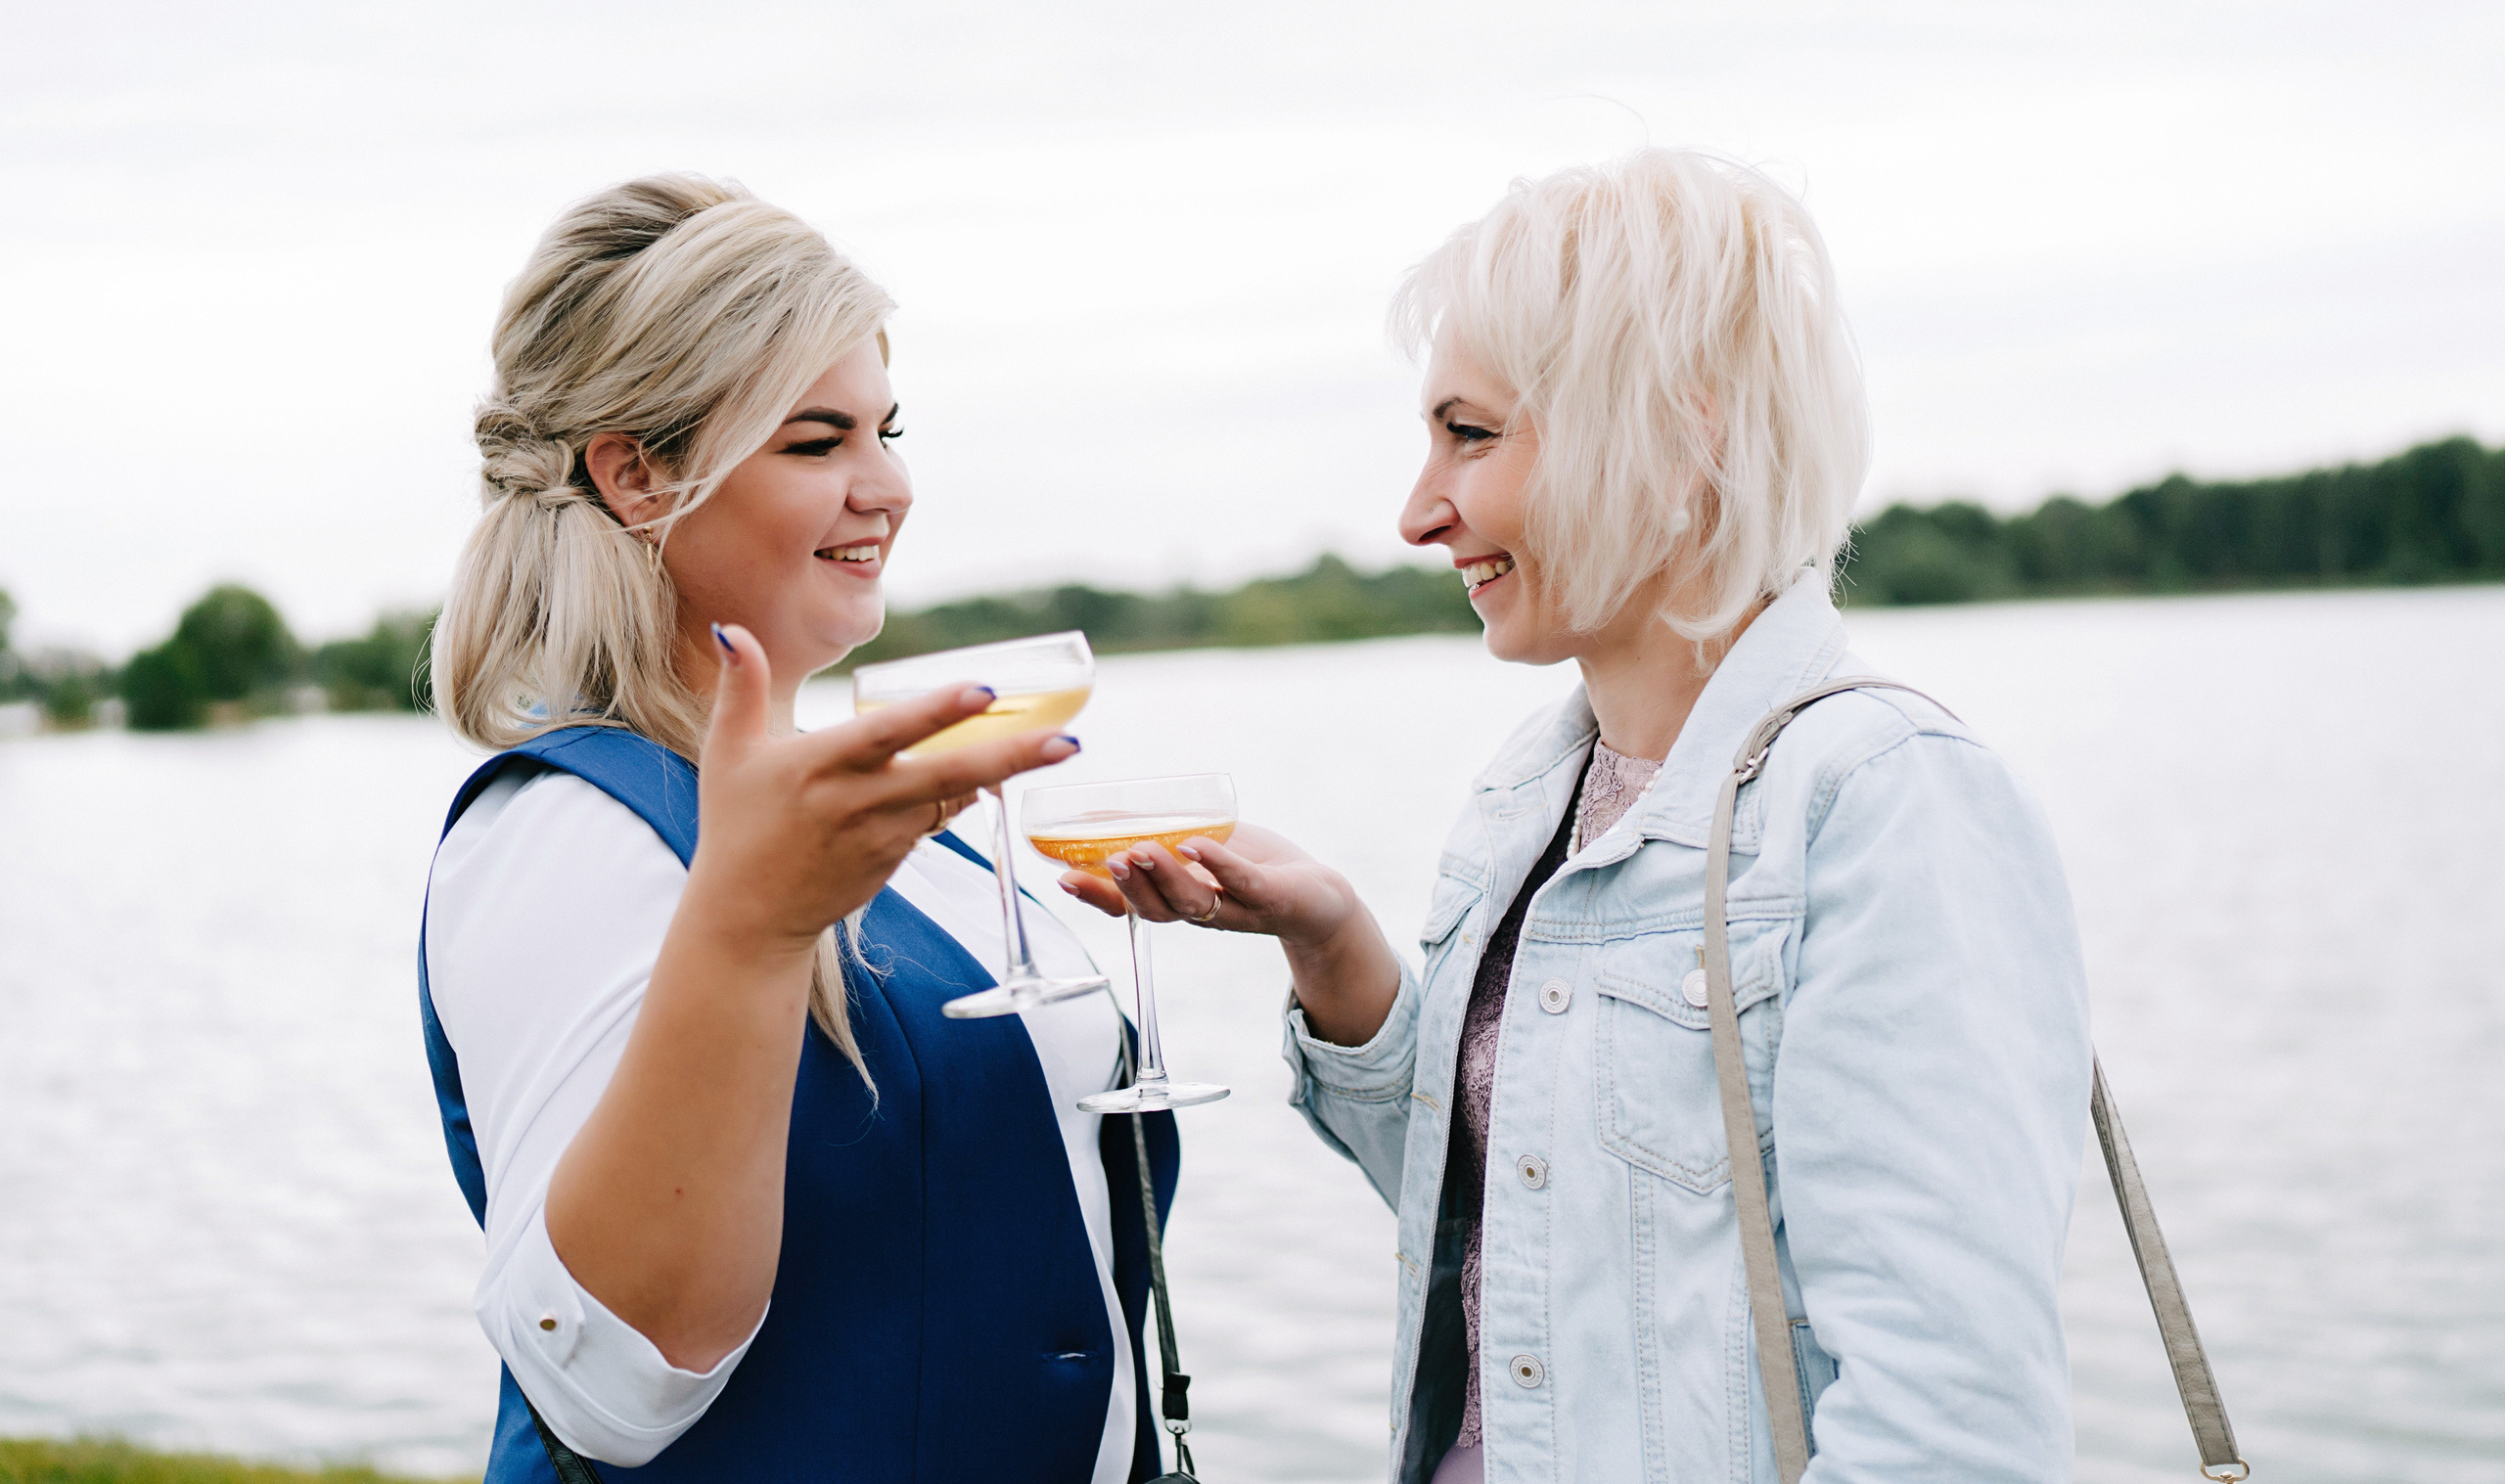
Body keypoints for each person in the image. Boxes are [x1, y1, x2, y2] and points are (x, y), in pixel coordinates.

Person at [1061, 151, 2092, 1481]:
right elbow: (1517, 1222)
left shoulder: (1888, 804)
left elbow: (1952, 1425)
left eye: (1471, 434)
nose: (1420, 510)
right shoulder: (1531, 793)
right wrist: (1336, 947)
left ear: (1678, 435)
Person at [421, 173, 1177, 1482]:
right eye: (818, 442)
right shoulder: (571, 831)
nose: (889, 487)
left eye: (888, 430)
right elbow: (603, 1380)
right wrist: (752, 931)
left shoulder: (860, 820)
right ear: (639, 475)